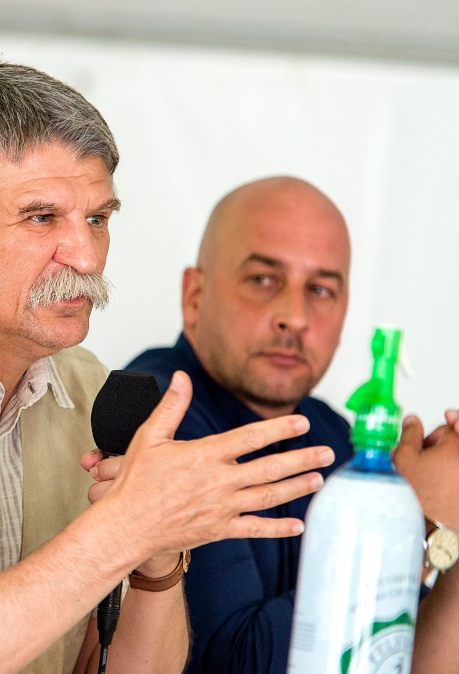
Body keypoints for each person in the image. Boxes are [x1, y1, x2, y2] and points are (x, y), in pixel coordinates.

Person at [0, 62, 335, 674]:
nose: (85, 256)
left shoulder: (91, 389)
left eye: (98, 219)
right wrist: (124, 529)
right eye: (41, 217)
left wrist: (156, 560)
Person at [103, 175, 459, 673]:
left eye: (320, 289)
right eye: (263, 280)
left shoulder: (329, 431)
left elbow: (390, 657)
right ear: (195, 296)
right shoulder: (160, 419)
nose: (295, 316)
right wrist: (415, 523)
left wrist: (450, 525)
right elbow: (235, 662)